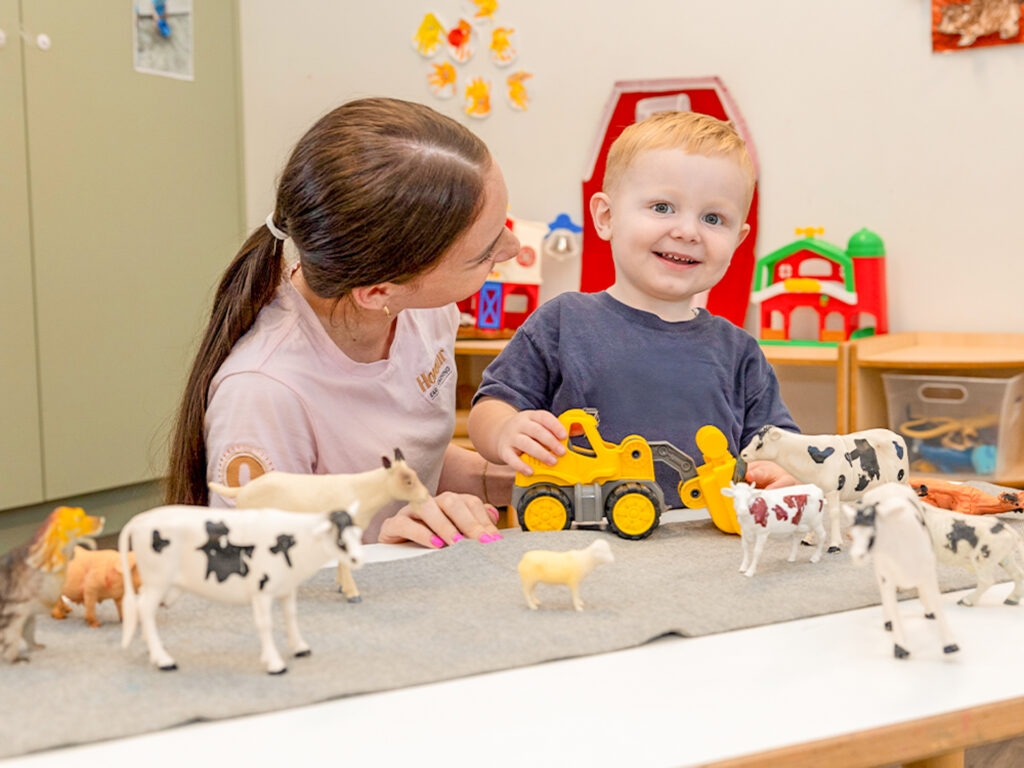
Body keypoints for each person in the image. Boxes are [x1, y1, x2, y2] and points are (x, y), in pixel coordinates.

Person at [166, 97, 521, 547]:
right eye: (486, 252)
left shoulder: (424, 310)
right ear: (378, 292)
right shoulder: (264, 393)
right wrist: (380, 551)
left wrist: (511, 479)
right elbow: (256, 571)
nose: (512, 247)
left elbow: (404, 458)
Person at [468, 111, 797, 508]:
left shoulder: (739, 352)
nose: (687, 231)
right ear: (606, 217)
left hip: (707, 550)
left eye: (713, 218)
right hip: (580, 543)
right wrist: (505, 429)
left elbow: (779, 449)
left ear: (738, 239)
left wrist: (782, 475)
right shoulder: (563, 322)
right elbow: (490, 407)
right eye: (662, 207)